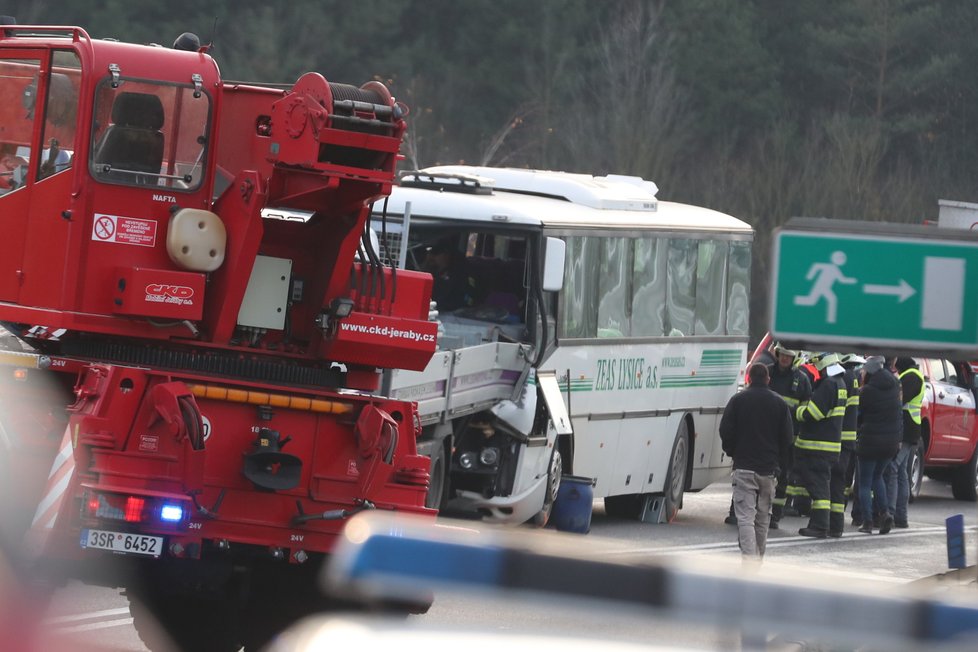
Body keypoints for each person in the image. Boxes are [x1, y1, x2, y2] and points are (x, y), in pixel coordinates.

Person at [719, 363, 794, 558]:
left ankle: (749, 559)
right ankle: (758, 559)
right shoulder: (779, 403)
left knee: (745, 518)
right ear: (768, 379)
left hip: (744, 467)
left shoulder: (737, 401)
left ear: (749, 379)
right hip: (768, 471)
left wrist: (732, 451)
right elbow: (787, 438)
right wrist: (780, 465)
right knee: (762, 519)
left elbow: (725, 431)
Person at [792, 352, 846, 538]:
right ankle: (828, 525)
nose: (817, 370)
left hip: (818, 447)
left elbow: (813, 413)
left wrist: (797, 411)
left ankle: (819, 526)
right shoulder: (840, 383)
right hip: (829, 447)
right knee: (822, 485)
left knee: (818, 487)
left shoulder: (828, 384)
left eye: (817, 366)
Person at [855, 356, 902, 534]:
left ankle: (867, 522)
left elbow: (859, 416)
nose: (862, 372)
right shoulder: (894, 386)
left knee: (865, 483)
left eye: (864, 369)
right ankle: (885, 513)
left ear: (871, 370)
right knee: (878, 477)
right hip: (890, 443)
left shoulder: (867, 391)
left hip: (870, 442)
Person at [887, 356, 924, 528]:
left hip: (907, 429)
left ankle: (893, 513)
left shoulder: (910, 377)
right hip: (911, 429)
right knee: (901, 472)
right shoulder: (914, 375)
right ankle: (901, 517)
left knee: (894, 468)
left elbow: (899, 400)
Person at [424, 238, 482, 312]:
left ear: (446, 254)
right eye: (428, 252)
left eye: (436, 252)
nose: (431, 256)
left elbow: (466, 304)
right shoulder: (428, 273)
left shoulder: (461, 277)